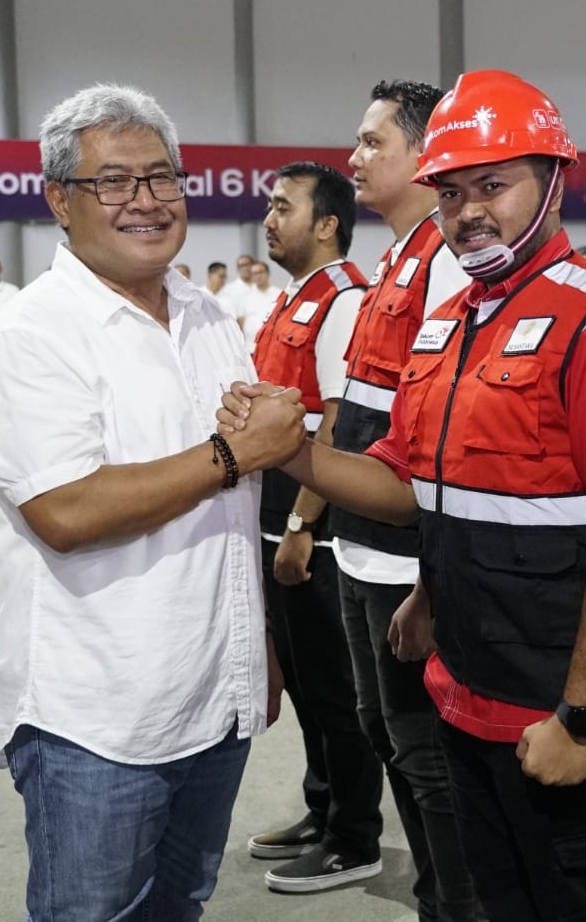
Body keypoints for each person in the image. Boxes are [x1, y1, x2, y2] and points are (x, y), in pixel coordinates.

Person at [222, 70, 586, 921]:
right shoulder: (451, 321)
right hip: (464, 696)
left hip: (560, 709)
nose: (469, 209)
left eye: (494, 185)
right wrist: (293, 456)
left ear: (552, 181)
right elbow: (414, 485)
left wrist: (581, 718)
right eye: (452, 190)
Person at [0, 83, 308, 922]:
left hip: (211, 700)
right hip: (97, 720)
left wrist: (252, 650)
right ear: (59, 200)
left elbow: (232, 512)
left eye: (162, 178)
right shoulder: (36, 335)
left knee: (179, 904)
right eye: (113, 182)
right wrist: (233, 452)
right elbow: (68, 512)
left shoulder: (205, 315)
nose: (145, 202)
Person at [323, 79, 481, 920]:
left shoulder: (447, 259)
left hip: (403, 546)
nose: (354, 157)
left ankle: (459, 904)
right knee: (384, 732)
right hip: (361, 540)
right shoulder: (397, 258)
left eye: (372, 142)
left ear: (426, 155)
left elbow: (447, 431)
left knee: (424, 752)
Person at [249, 161, 386, 893]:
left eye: (282, 207)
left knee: (337, 688)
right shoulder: (291, 299)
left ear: (326, 223)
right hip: (276, 511)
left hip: (315, 522)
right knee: (304, 681)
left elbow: (339, 420)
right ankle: (322, 807)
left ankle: (354, 837)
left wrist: (304, 522)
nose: (269, 219)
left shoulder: (343, 300)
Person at [239, 260, 279, 343]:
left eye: (260, 272)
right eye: (254, 273)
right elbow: (240, 322)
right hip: (250, 345)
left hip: (272, 343)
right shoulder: (245, 296)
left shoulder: (279, 294)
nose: (258, 276)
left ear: (268, 273)